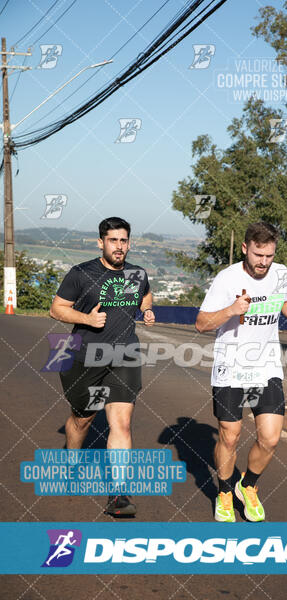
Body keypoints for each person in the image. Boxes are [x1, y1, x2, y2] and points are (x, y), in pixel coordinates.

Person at [195, 222, 287, 522]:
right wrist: (231, 310)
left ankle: (248, 486)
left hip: (266, 365)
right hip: (231, 366)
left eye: (269, 256)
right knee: (229, 437)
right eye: (258, 255)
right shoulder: (226, 279)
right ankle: (224, 493)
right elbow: (202, 323)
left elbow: (286, 301)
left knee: (270, 438)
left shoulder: (280, 272)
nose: (263, 262)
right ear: (245, 248)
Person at [50, 216, 155, 516]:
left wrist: (146, 310)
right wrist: (86, 319)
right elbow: (56, 308)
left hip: (124, 356)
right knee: (82, 420)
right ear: (101, 242)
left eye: (124, 240)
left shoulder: (137, 273)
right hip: (85, 358)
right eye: (113, 240)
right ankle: (72, 460)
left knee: (121, 423)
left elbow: (145, 295)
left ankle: (118, 494)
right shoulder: (81, 273)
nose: (119, 246)